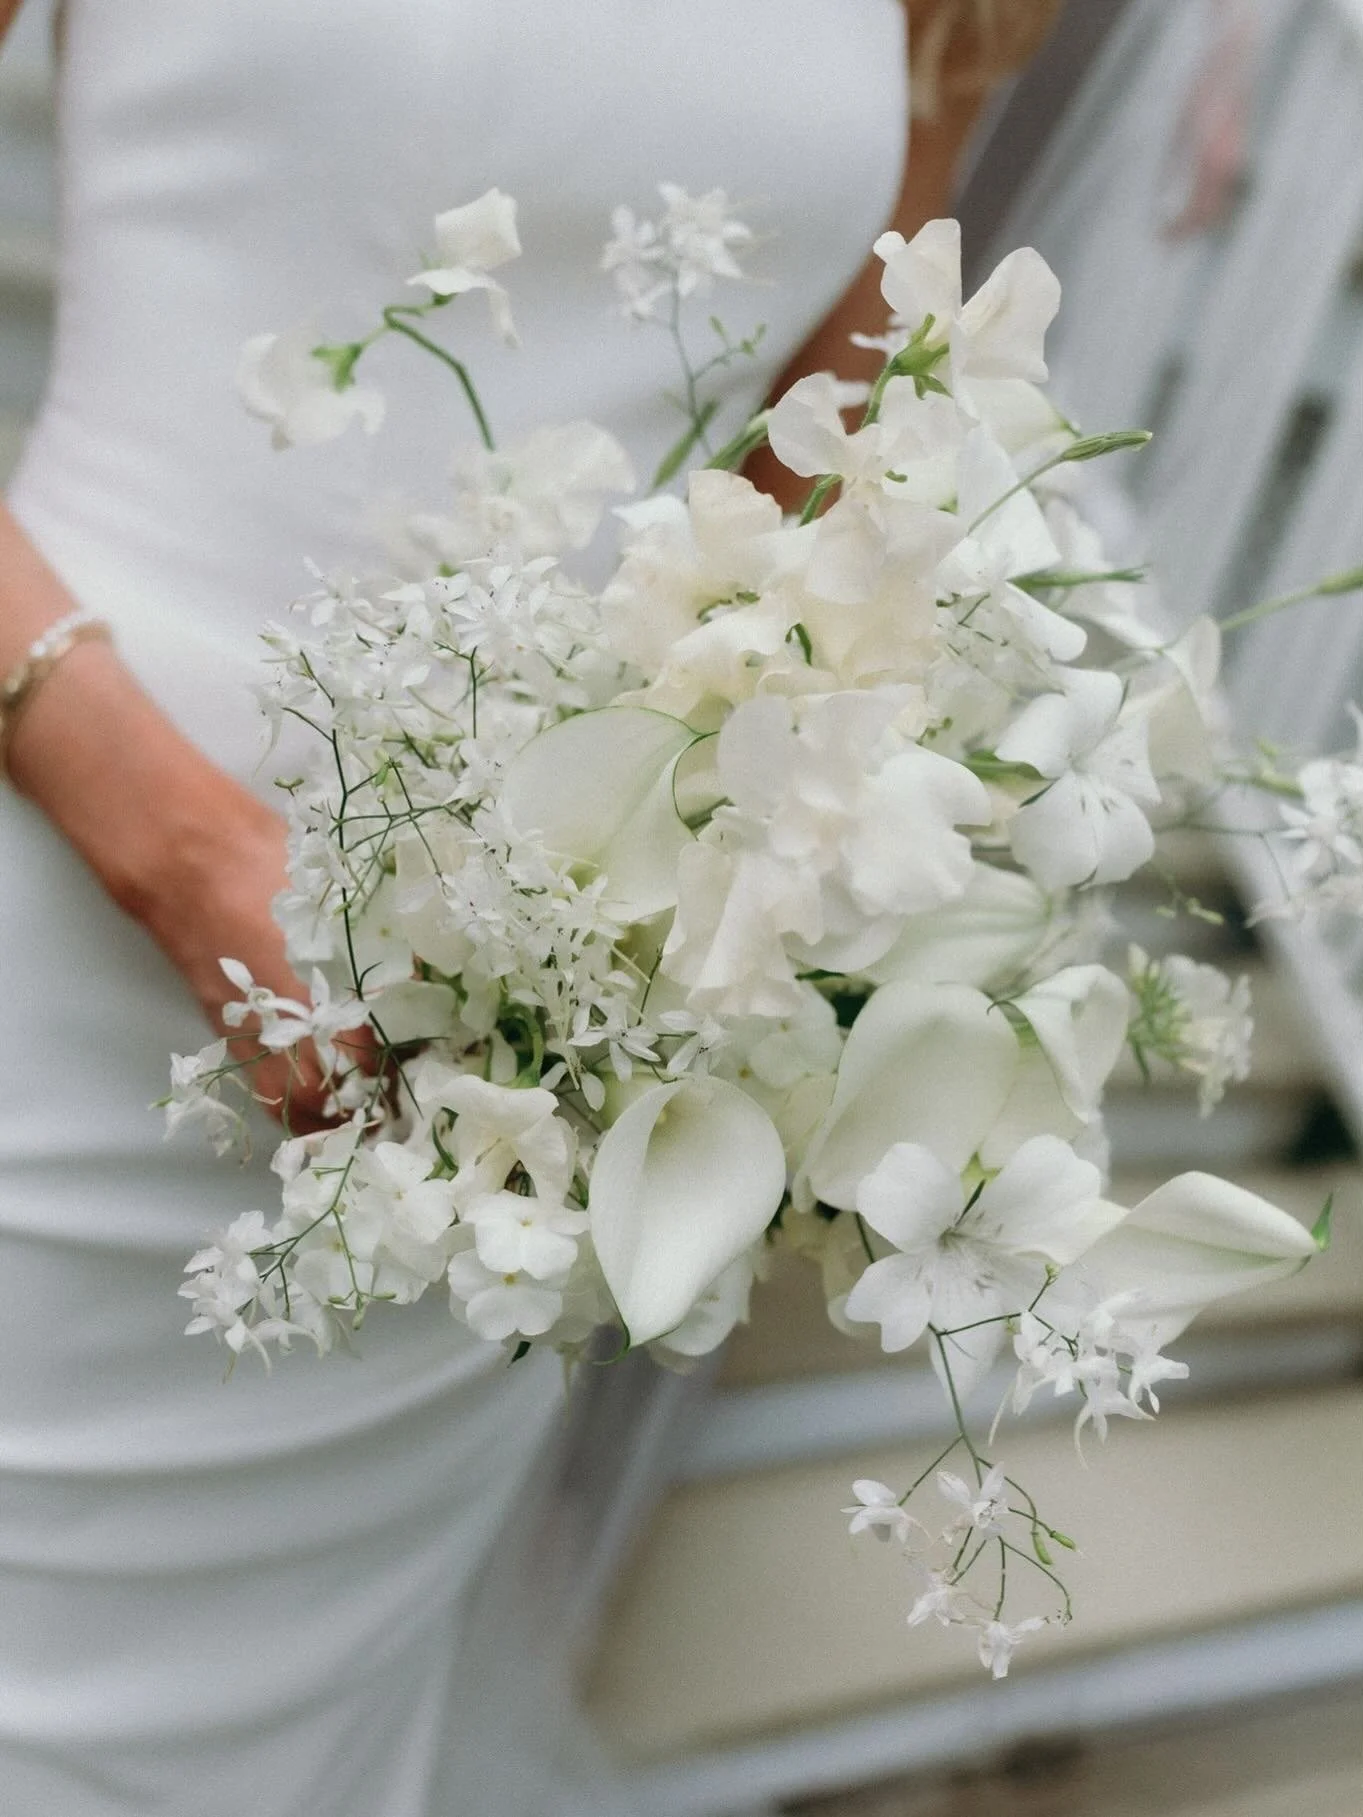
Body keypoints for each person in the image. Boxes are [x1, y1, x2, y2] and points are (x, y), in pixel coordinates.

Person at [0, 2, 1059, 1812]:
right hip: (45, 907)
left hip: (483, 1087)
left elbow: (813, 459)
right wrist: (169, 843)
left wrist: (710, 876)